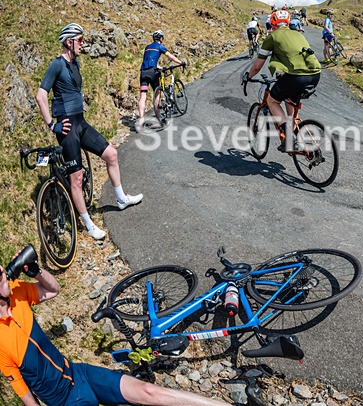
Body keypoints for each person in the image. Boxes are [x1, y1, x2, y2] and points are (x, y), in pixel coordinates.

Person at [0, 246, 228, 406]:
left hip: (79, 373)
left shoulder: (18, 292)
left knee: (148, 390)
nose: (3, 273)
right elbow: (25, 394)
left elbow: (53, 290)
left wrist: (37, 272)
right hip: (65, 400)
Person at [36, 23, 143, 240]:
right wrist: (51, 124)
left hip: (81, 123)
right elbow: (41, 95)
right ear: (69, 42)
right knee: (76, 178)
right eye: (80, 40)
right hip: (66, 127)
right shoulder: (57, 65)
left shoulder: (75, 64)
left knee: (111, 154)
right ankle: (88, 223)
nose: (83, 44)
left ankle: (121, 199)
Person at [242, 12, 321, 152]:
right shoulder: (298, 34)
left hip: (296, 77)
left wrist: (248, 76)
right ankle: (293, 126)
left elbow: (258, 66)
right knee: (288, 97)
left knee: (272, 101)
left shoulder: (271, 37)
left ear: (272, 24)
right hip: (315, 75)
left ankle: (290, 138)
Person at [137, 30, 185, 124]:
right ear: (161, 38)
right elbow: (171, 57)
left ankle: (141, 121)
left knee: (143, 95)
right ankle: (159, 118)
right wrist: (181, 63)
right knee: (157, 93)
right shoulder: (160, 46)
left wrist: (160, 67)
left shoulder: (147, 47)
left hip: (143, 72)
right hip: (152, 72)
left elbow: (149, 60)